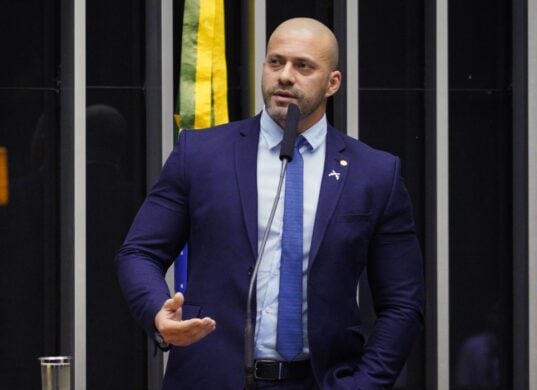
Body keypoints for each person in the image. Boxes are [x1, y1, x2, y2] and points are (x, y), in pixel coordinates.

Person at [116, 17, 424, 389]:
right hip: (209, 378)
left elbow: (403, 303)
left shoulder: (374, 173)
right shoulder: (200, 154)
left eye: (303, 66)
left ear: (333, 83)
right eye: (275, 62)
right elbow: (139, 252)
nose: (285, 76)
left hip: (319, 380)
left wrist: (363, 384)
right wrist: (157, 313)